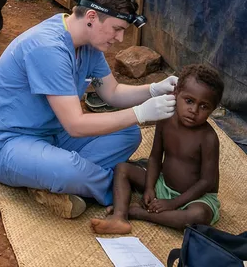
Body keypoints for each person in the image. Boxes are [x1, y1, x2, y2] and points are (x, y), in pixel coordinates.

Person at [0, 0, 178, 219]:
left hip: (51, 134)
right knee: (68, 169)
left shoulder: (88, 44)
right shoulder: (48, 47)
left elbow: (112, 92)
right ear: (91, 17)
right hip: (4, 143)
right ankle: (117, 184)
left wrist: (153, 89)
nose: (120, 39)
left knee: (128, 133)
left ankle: (57, 182)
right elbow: (76, 125)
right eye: (117, 29)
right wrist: (140, 113)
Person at [91, 63, 223, 234]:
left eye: (204, 106)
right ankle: (119, 217)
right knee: (122, 169)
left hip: (195, 198)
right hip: (163, 185)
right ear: (176, 94)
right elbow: (154, 158)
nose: (194, 110)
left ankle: (137, 213)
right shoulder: (166, 119)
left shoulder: (208, 138)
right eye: (189, 101)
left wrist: (172, 204)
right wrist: (150, 188)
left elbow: (207, 182)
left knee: (198, 216)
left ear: (212, 109)